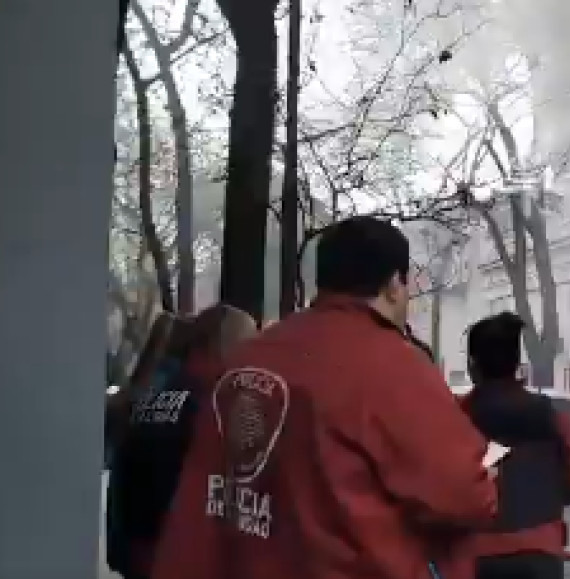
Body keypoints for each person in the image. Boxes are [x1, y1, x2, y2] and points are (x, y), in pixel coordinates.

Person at [149, 216, 497, 579]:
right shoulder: (392, 366)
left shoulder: (246, 360)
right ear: (395, 284)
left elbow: (202, 497)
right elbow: (466, 496)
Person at [106, 305, 257, 579]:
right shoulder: (209, 411)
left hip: (135, 555)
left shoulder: (151, 395)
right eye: (245, 349)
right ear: (216, 348)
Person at [460, 312, 570, 579]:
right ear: (517, 365)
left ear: (472, 367)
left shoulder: (456, 416)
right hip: (540, 553)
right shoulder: (550, 416)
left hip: (474, 557)